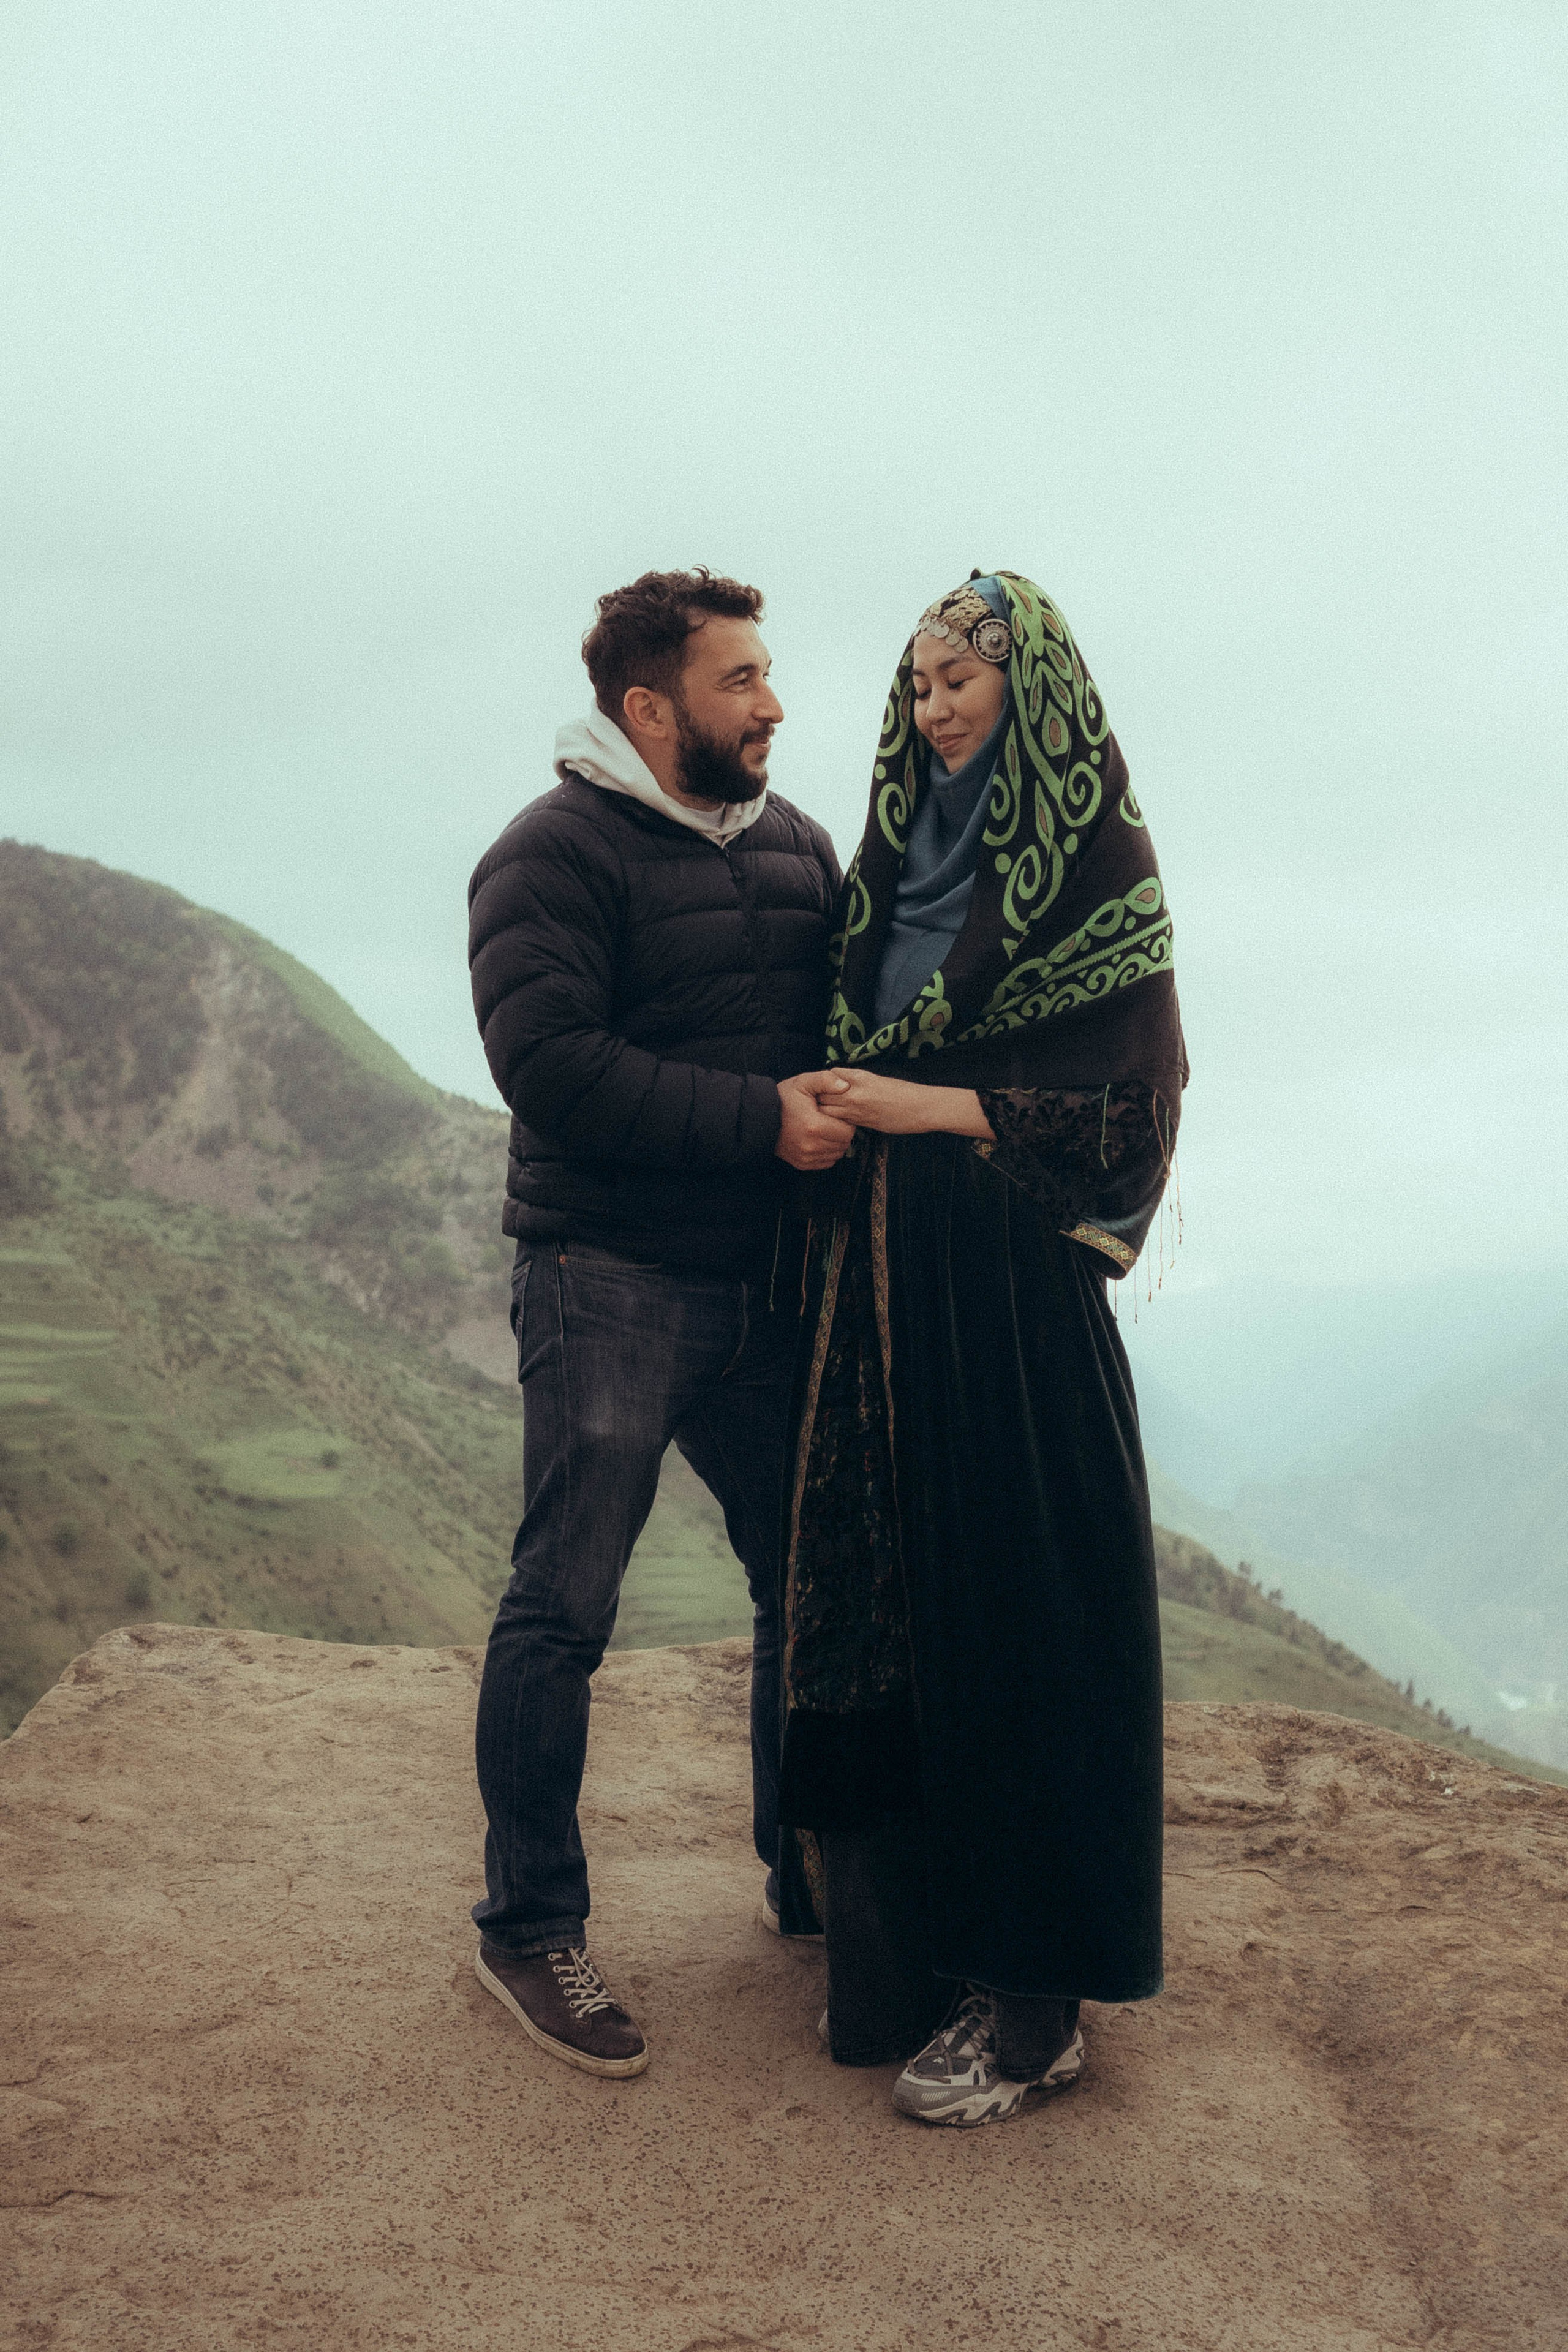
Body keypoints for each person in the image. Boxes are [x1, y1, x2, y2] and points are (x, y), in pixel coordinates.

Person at [775, 571, 1187, 2127]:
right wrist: (824, 1113)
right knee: (884, 1608)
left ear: (1035, 696)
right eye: (919, 682)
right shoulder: (882, 873)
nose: (935, 705)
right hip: (877, 1293)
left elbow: (1131, 1116)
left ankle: (1032, 2001)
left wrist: (930, 1108)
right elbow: (840, 1048)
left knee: (1022, 1621)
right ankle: (895, 1953)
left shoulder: (1097, 873)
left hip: (1011, 1309)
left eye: (961, 679)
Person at [466, 568, 847, 2078]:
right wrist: (763, 1122)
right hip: (607, 1279)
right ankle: (526, 1925)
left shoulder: (804, 848)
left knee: (803, 1586)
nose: (771, 703)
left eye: (765, 675)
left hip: (771, 1289)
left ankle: (806, 1878)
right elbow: (549, 1065)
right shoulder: (546, 856)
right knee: (563, 1606)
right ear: (648, 708)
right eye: (740, 679)